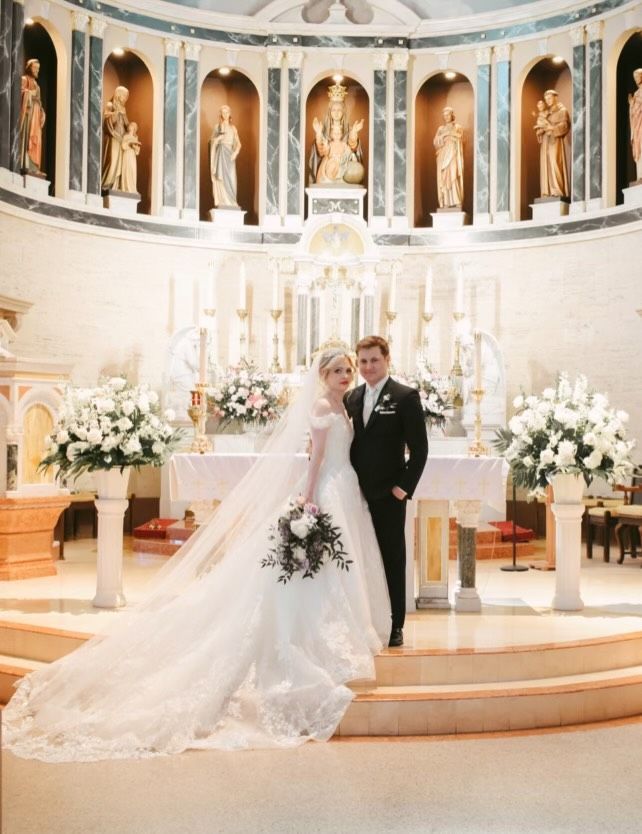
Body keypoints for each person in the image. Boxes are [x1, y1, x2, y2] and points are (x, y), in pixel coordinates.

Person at [2, 348, 390, 761]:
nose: (346, 375)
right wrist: (307, 500)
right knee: (313, 565)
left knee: (333, 562)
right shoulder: (320, 403)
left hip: (345, 488)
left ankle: (334, 620)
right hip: (326, 488)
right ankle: (316, 629)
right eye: (338, 370)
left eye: (349, 369)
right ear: (323, 373)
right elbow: (314, 459)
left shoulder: (343, 403)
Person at [344, 336, 428, 648]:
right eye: (363, 361)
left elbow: (420, 451)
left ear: (387, 359)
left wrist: (402, 489)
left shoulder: (405, 396)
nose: (368, 367)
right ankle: (367, 618)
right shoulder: (352, 397)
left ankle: (395, 624)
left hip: (388, 495)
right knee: (362, 557)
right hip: (355, 493)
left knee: (392, 557)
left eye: (374, 360)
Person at [309, 84, 364, 185]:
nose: (336, 113)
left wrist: (354, 134)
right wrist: (318, 134)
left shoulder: (349, 131)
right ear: (330, 112)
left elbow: (352, 149)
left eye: (339, 110)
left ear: (343, 112)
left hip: (344, 168)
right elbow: (321, 151)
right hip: (328, 167)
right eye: (334, 110)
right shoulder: (324, 131)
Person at [538, 89, 570, 199]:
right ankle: (546, 191)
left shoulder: (562, 111)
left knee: (555, 163)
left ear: (555, 98)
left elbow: (565, 126)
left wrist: (552, 128)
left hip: (555, 141)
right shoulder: (546, 113)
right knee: (546, 165)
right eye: (546, 99)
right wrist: (540, 131)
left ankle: (558, 190)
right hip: (546, 142)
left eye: (550, 98)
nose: (548, 101)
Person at [209, 104, 242, 208]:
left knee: (232, 179)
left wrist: (235, 152)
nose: (225, 114)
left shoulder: (233, 128)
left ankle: (232, 201)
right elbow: (211, 142)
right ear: (221, 115)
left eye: (227, 112)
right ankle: (223, 201)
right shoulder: (217, 127)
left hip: (230, 156)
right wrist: (218, 139)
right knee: (220, 177)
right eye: (223, 112)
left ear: (230, 114)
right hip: (220, 154)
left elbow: (239, 144)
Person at [18, 58, 46, 175]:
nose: (37, 71)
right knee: (28, 137)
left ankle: (34, 166)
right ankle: (26, 164)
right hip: (28, 114)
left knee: (36, 140)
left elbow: (39, 102)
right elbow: (20, 92)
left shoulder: (37, 86)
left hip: (36, 116)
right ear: (29, 68)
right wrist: (29, 94)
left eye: (38, 69)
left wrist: (42, 112)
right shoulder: (24, 79)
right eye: (35, 68)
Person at [433, 106, 464, 209]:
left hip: (453, 154)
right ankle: (446, 202)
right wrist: (441, 137)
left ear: (452, 115)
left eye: (448, 114)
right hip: (443, 155)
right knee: (444, 178)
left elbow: (460, 137)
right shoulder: (440, 129)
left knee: (453, 176)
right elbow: (435, 142)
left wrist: (448, 134)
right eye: (445, 115)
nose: (446, 117)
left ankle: (457, 201)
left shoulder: (457, 127)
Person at [102, 86, 130, 191]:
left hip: (122, 138)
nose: (125, 99)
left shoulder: (123, 109)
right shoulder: (110, 105)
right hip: (114, 136)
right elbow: (107, 120)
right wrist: (116, 113)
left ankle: (117, 184)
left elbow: (126, 124)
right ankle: (108, 183)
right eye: (124, 96)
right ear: (119, 95)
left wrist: (131, 128)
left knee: (121, 162)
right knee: (113, 159)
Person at [120, 121, 141, 193]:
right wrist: (129, 143)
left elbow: (137, 152)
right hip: (127, 154)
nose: (130, 126)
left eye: (132, 126)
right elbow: (123, 146)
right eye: (130, 125)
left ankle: (132, 189)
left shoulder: (135, 138)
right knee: (126, 170)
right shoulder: (125, 136)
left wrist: (136, 147)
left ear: (134, 129)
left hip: (132, 156)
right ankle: (125, 188)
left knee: (132, 171)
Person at [628, 68, 642, 182]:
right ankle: (639, 176)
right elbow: (634, 112)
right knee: (638, 146)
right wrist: (632, 105)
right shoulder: (636, 93)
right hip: (637, 124)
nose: (636, 79)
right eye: (634, 77)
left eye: (637, 76)